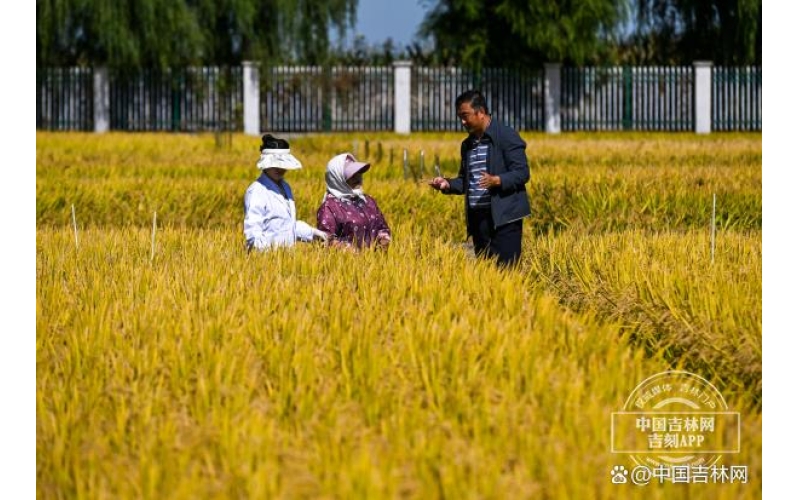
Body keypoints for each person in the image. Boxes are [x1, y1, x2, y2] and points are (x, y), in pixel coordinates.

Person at [428, 89, 531, 267]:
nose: (462, 121)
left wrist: (497, 180)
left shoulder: (506, 136)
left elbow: (522, 173)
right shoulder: (467, 145)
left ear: (481, 112)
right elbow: (465, 181)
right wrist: (447, 184)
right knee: (486, 275)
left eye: (465, 116)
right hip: (479, 221)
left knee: (507, 274)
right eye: (460, 116)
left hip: (504, 219)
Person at [243, 134, 329, 251]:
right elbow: (253, 235)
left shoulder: (285, 187)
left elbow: (288, 225)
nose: (280, 169)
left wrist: (312, 233)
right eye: (275, 165)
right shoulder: (257, 191)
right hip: (266, 259)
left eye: (283, 165)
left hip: (286, 258)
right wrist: (267, 255)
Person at [316, 152, 391, 251]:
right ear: (338, 178)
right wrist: (349, 252)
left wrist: (384, 240)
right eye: (352, 174)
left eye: (359, 173)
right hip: (344, 265)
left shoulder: (368, 201)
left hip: (375, 264)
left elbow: (382, 227)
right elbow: (325, 239)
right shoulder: (329, 207)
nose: (358, 177)